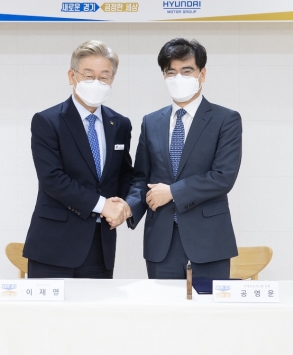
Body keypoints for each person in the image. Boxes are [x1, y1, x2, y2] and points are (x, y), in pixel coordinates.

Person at [120, 38, 242, 280]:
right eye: (171, 72)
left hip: (209, 240)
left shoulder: (225, 119)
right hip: (161, 242)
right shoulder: (151, 122)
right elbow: (141, 178)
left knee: (208, 305)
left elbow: (223, 177)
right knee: (163, 305)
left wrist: (173, 192)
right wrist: (127, 208)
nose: (178, 78)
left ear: (202, 74)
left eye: (186, 71)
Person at [23, 40, 133, 279]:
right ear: (72, 76)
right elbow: (52, 179)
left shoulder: (120, 124)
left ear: (112, 80)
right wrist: (104, 205)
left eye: (104, 77)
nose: (97, 82)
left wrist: (124, 205)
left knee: (97, 306)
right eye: (89, 75)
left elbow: (124, 173)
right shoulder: (47, 121)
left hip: (100, 245)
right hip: (54, 246)